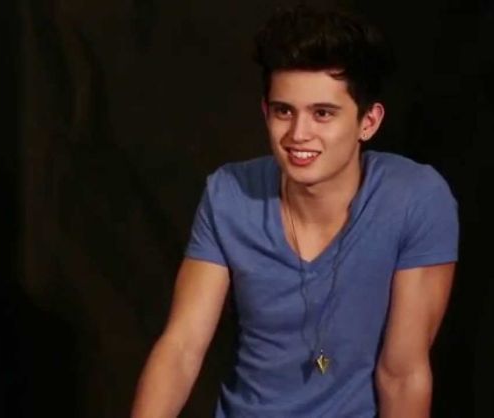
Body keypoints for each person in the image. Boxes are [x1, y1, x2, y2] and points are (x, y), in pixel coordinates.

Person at [132, 5, 458, 417]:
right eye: (284, 111)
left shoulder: (414, 198)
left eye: (322, 114)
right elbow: (181, 348)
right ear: (265, 112)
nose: (298, 134)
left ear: (369, 122)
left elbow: (402, 374)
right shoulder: (229, 194)